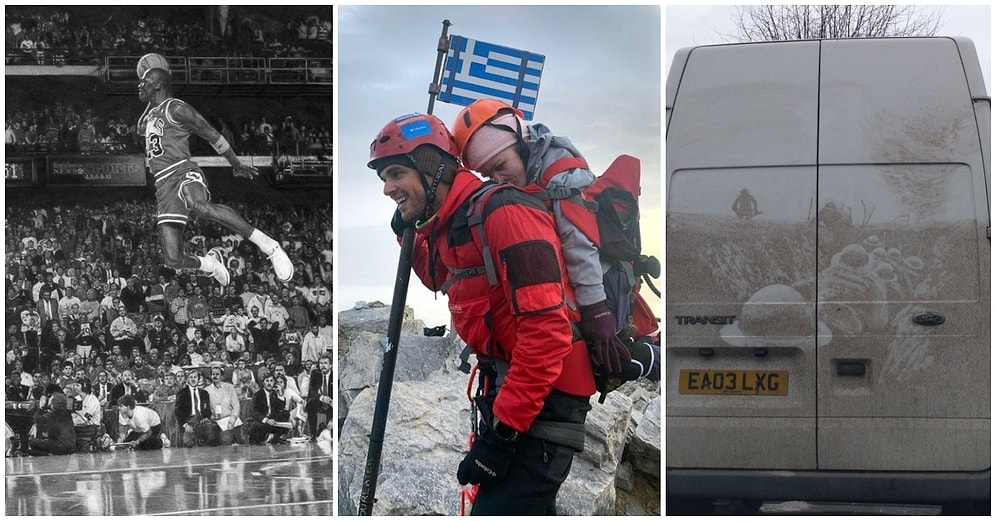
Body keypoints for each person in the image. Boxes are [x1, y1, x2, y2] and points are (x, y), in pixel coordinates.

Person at [369, 113, 594, 515]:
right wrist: (409, 235)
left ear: (432, 167)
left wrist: (503, 434)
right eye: (384, 178)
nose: (387, 188)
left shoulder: (505, 213)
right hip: (514, 391)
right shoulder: (453, 224)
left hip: (547, 399)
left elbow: (548, 332)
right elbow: (445, 281)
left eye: (396, 174)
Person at [451, 100, 634, 377]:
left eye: (501, 165)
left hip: (598, 286)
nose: (499, 180)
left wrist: (596, 309)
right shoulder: (530, 173)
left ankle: (645, 355)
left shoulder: (561, 178)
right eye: (488, 174)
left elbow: (579, 245)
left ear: (522, 144)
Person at [136, 61, 293, 288]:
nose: (139, 86)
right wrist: (149, 95)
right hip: (162, 184)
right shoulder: (151, 115)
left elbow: (211, 134)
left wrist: (235, 163)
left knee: (199, 205)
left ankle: (269, 245)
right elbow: (139, 129)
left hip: (182, 170)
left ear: (159, 85)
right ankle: (209, 265)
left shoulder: (178, 109)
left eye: (145, 82)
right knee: (173, 260)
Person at [174, 369, 217, 447]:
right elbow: (178, 411)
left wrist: (206, 417)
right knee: (189, 443)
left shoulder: (204, 393)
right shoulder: (182, 393)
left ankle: (209, 452)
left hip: (201, 422)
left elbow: (208, 410)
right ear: (187, 379)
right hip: (189, 422)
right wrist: (185, 424)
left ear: (198, 379)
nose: (193, 379)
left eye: (195, 377)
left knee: (211, 428)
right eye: (191, 377)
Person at [205, 365, 244, 445]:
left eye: (217, 374)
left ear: (222, 376)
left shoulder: (229, 387)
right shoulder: (207, 390)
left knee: (241, 440)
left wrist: (233, 418)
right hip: (216, 422)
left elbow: (236, 405)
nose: (215, 376)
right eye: (213, 374)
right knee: (226, 440)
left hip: (231, 419)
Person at [246, 374, 287, 444]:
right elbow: (253, 412)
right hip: (262, 420)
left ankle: (276, 437)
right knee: (256, 425)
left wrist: (280, 394)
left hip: (272, 419)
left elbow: (281, 409)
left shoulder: (275, 393)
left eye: (271, 381)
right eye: (267, 381)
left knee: (285, 413)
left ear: (274, 383)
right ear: (263, 383)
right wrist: (266, 420)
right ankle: (266, 438)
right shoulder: (257, 395)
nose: (269, 383)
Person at [304, 353, 332, 439]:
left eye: (325, 363)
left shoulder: (334, 374)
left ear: (330, 365)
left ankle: (329, 429)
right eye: (321, 363)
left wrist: (331, 401)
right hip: (320, 399)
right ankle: (313, 434)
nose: (323, 366)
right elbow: (312, 391)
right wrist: (322, 397)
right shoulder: (315, 373)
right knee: (311, 403)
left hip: (332, 401)